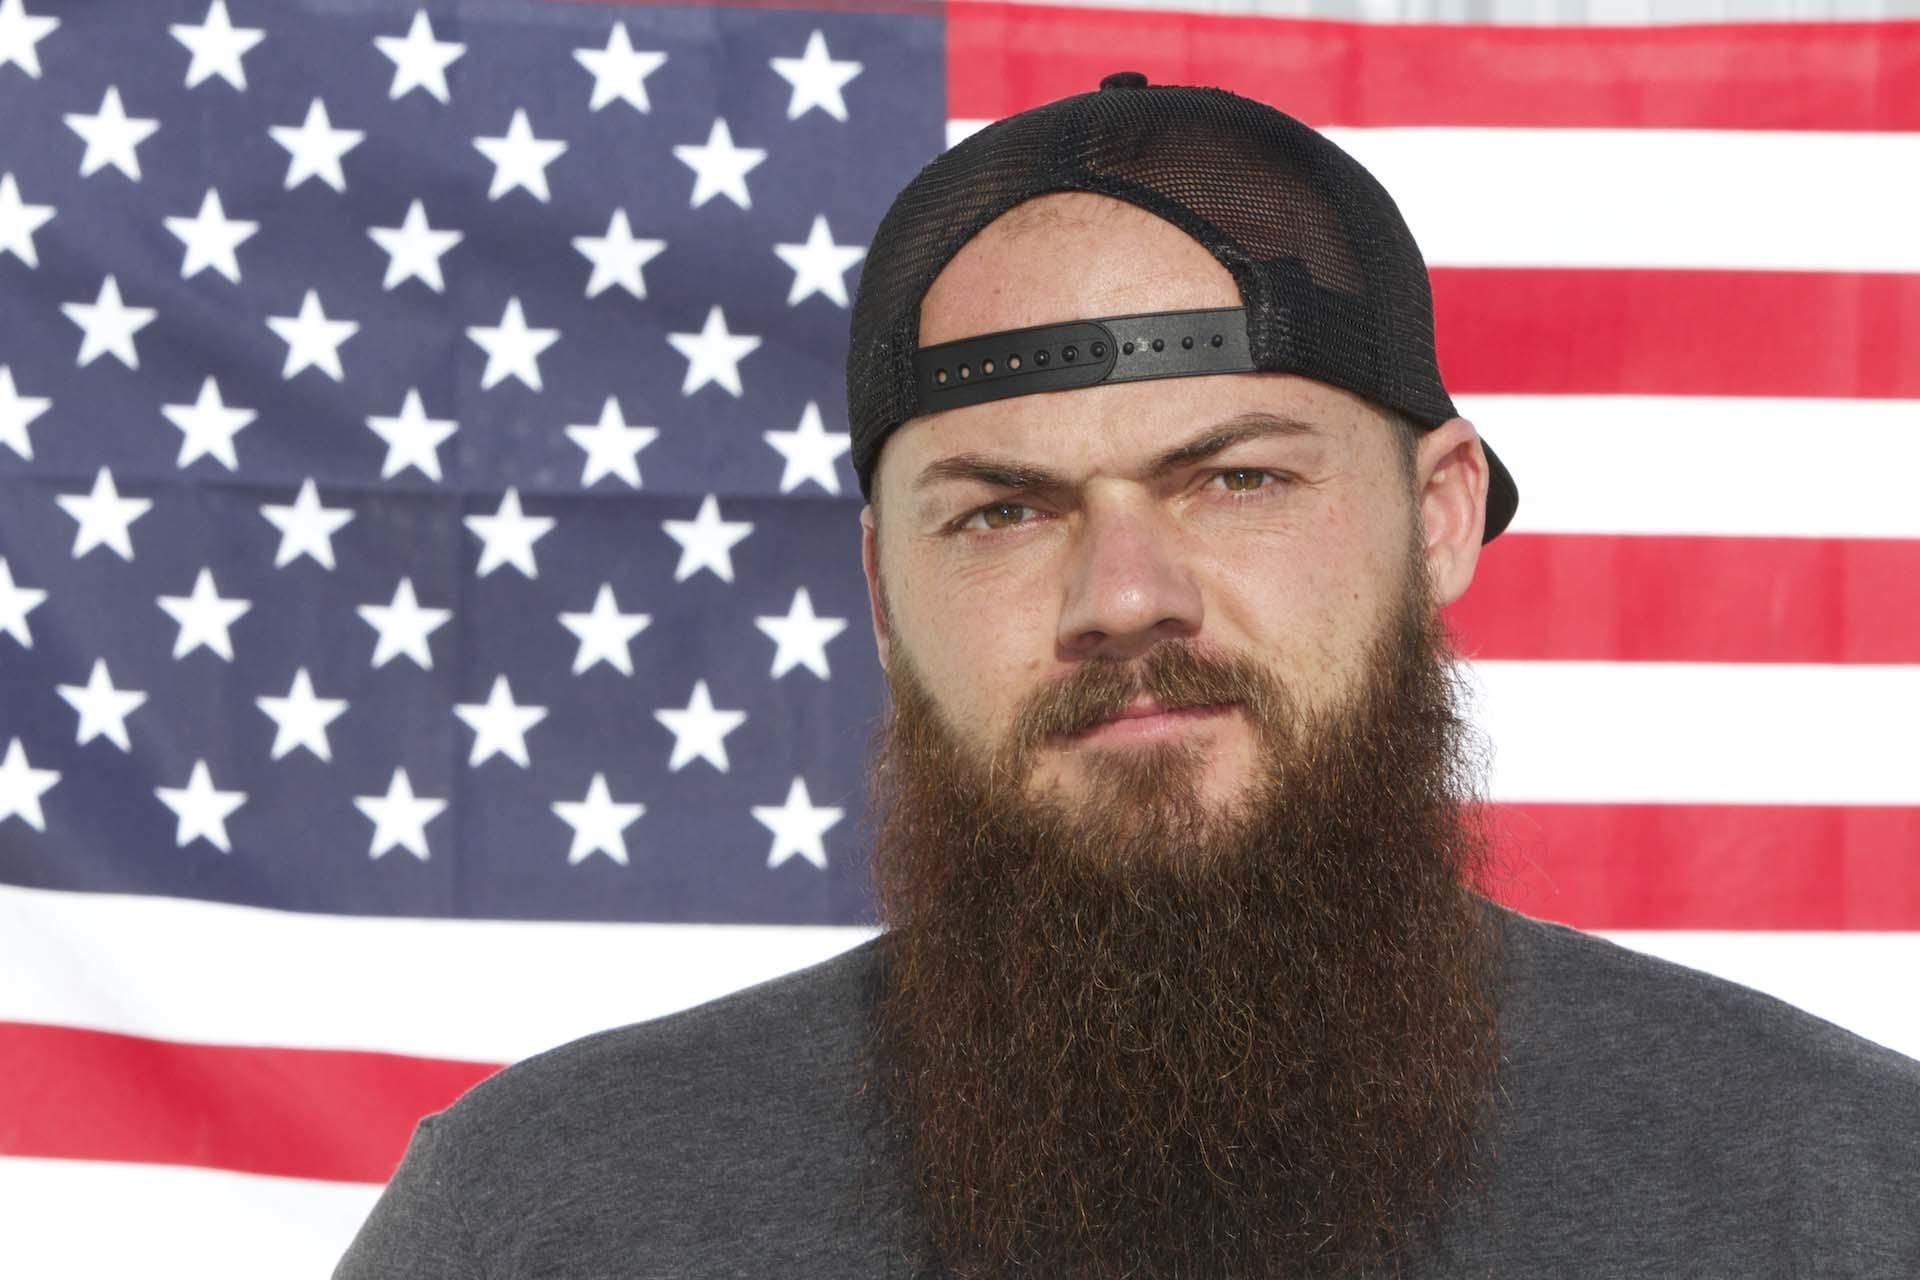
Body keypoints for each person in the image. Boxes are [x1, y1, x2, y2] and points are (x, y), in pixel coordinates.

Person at [335, 75, 1920, 1279]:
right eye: (1002, 513)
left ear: (1438, 517)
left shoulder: (1843, 1190)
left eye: (1237, 478)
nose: (1124, 598)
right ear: (883, 593)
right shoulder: (549, 1217)